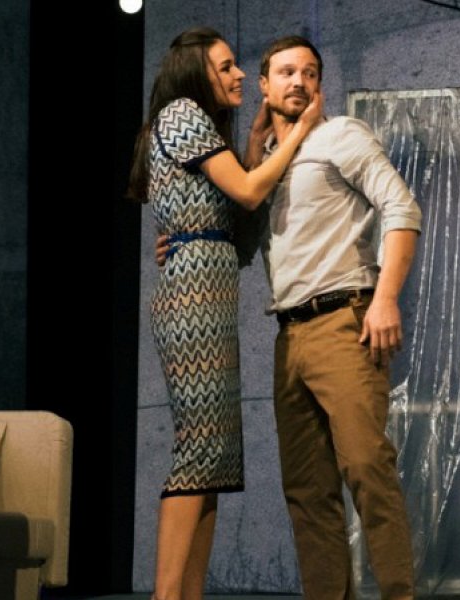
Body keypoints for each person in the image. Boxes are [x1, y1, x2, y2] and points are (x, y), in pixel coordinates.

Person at [158, 35, 421, 598]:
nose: (298, 81)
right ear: (264, 85)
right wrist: (183, 238)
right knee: (306, 492)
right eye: (285, 72)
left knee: (367, 471)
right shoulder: (264, 163)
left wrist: (386, 297)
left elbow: (401, 207)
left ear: (319, 84)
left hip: (344, 322)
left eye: (309, 72)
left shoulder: (340, 135)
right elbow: (243, 240)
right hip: (289, 336)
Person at [127, 27, 320, 600]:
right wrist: (296, 133)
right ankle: (166, 595)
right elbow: (250, 191)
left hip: (211, 291)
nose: (238, 75)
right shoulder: (181, 113)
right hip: (191, 298)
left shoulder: (204, 127)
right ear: (197, 71)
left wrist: (257, 143)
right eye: (227, 66)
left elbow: (238, 240)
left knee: (214, 461)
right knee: (199, 451)